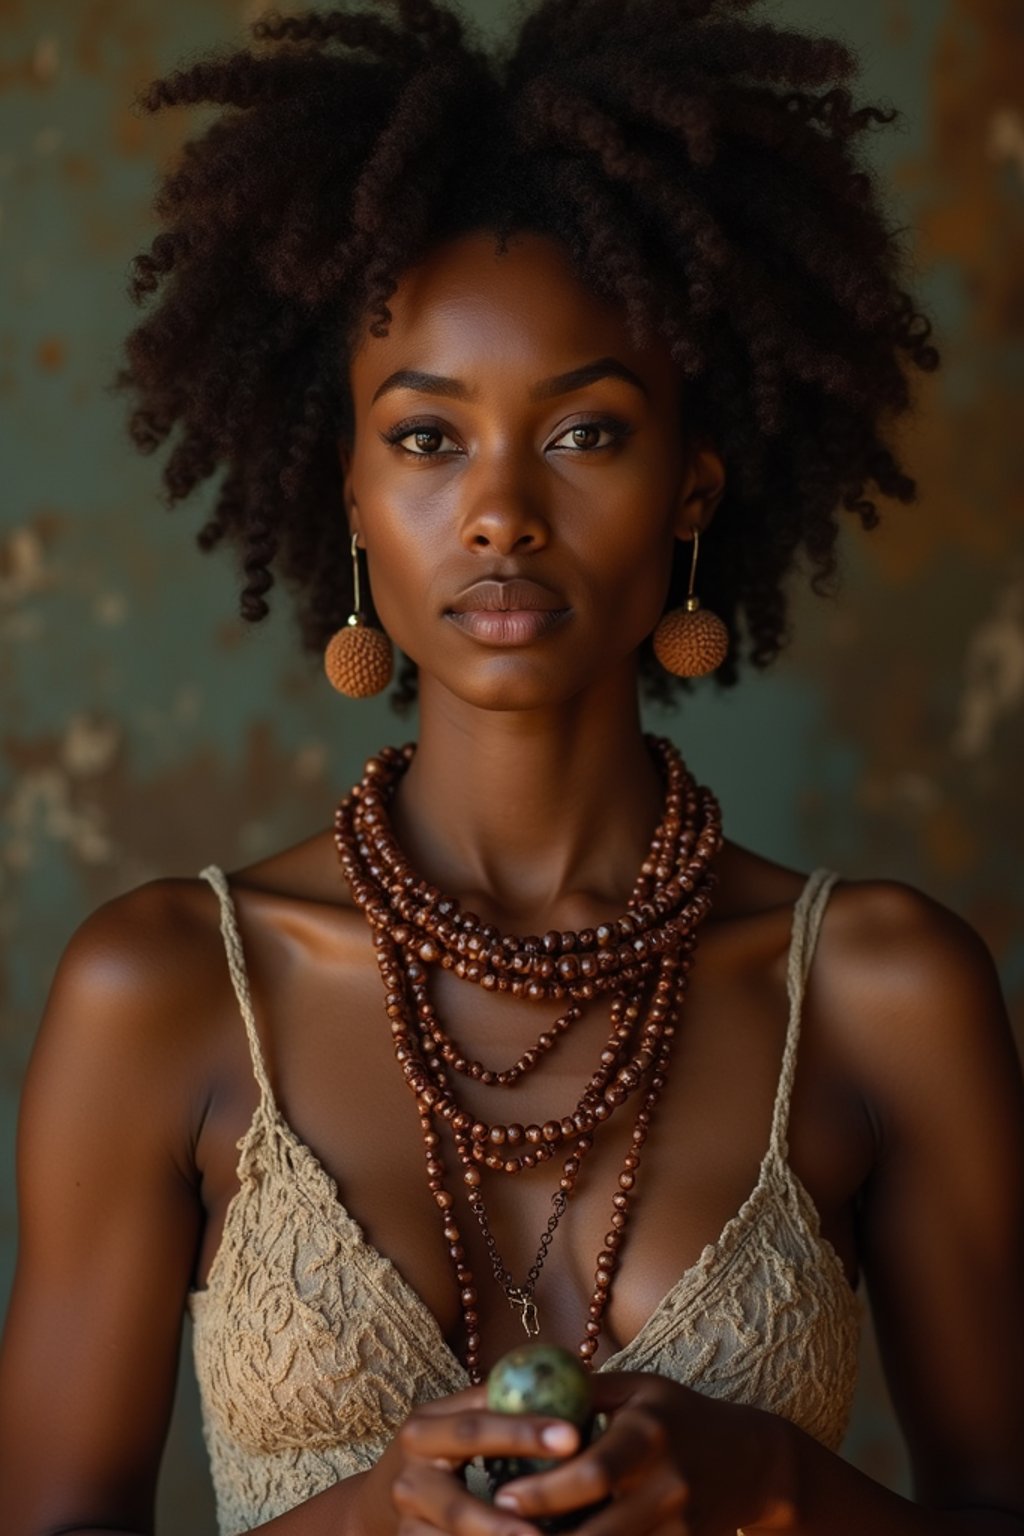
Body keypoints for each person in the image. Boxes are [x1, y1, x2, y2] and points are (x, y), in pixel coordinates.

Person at [1, 1, 1022, 1533]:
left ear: (694, 489)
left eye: (587, 434)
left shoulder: (883, 991)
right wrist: (365, 1519)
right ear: (348, 489)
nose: (498, 513)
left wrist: (774, 1487)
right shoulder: (163, 992)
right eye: (425, 441)